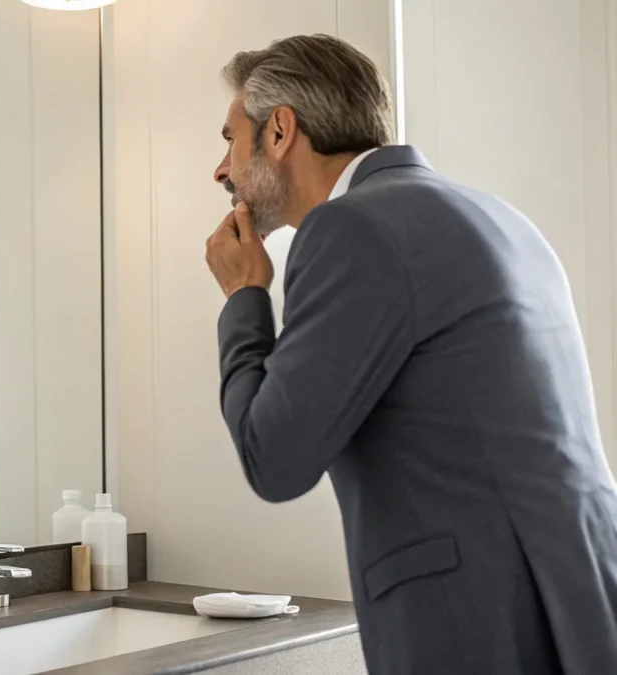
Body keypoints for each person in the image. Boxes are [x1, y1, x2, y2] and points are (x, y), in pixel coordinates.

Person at [205, 34, 617, 675]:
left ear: (280, 130)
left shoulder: (348, 231)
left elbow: (275, 458)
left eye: (230, 139)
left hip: (474, 623)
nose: (222, 170)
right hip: (580, 609)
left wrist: (243, 296)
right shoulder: (500, 218)